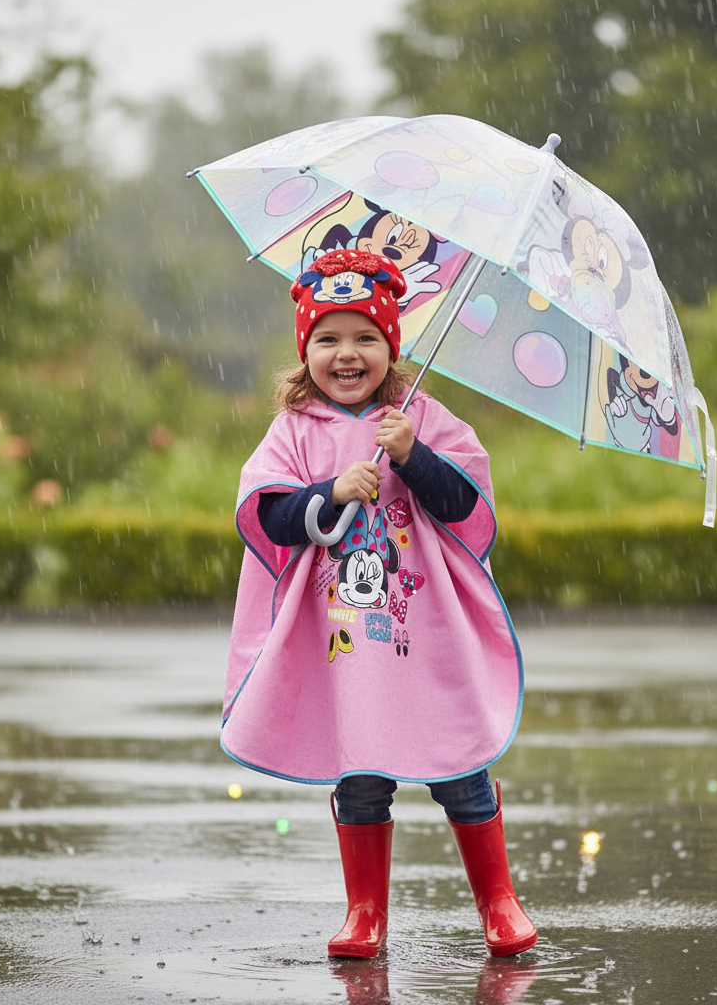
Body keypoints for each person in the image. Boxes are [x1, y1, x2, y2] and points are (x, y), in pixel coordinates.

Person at [224, 248, 535, 959]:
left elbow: (465, 506)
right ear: (305, 351)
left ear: (391, 346)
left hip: (425, 633)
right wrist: (328, 493)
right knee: (360, 771)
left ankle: (499, 900)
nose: (347, 354)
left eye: (366, 337)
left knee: (460, 761)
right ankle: (365, 913)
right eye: (328, 338)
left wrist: (413, 455)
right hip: (346, 646)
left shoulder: (419, 415)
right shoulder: (296, 430)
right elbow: (269, 518)